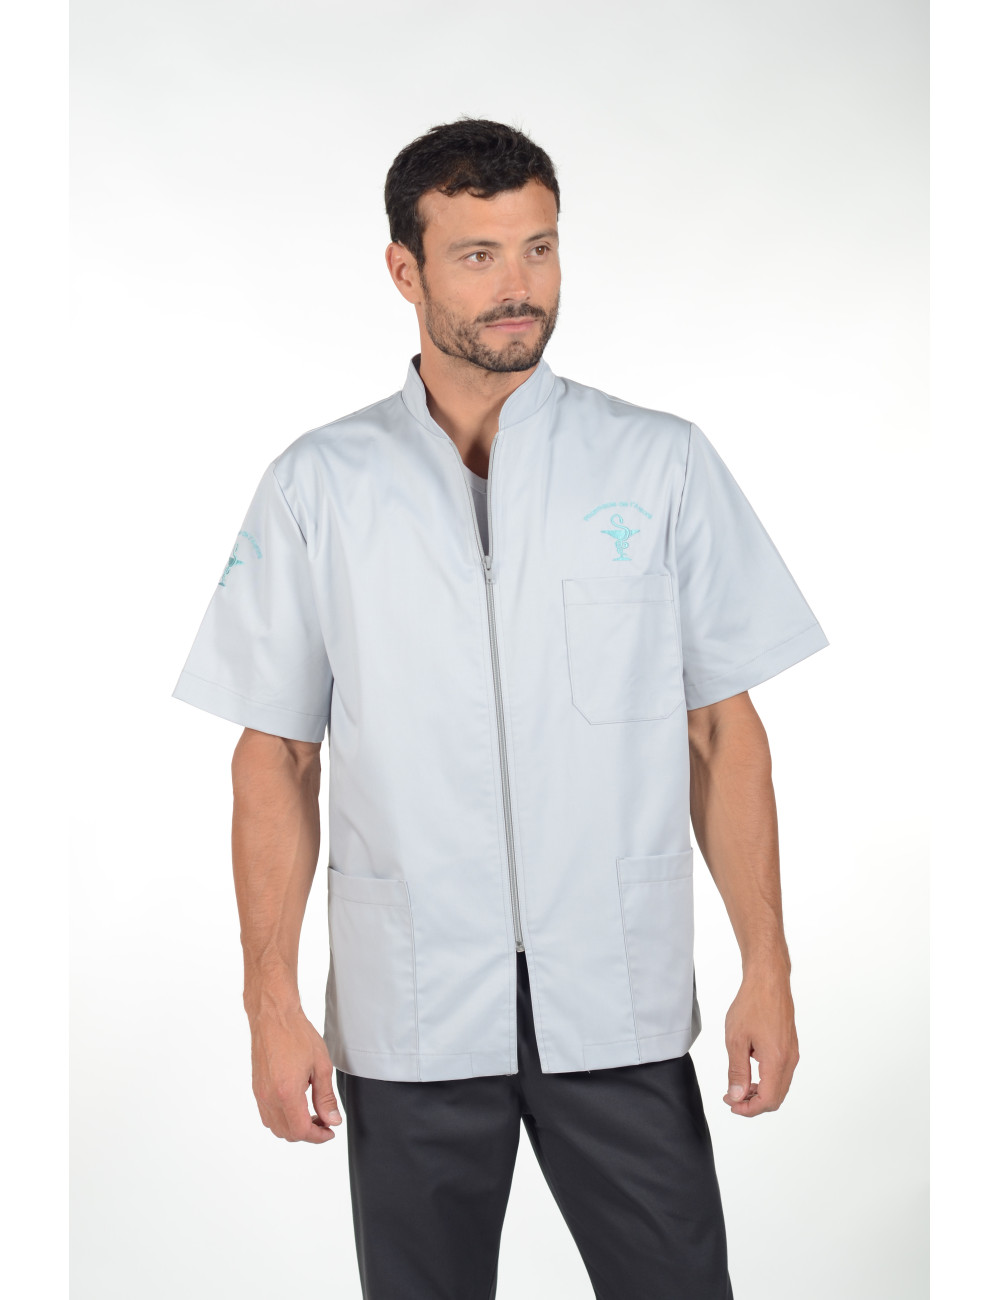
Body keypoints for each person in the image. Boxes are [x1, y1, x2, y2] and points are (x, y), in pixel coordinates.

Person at [172, 117, 830, 1299]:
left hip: (617, 996)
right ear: (405, 270)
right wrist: (271, 1002)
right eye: (477, 255)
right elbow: (276, 755)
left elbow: (720, 729)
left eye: (538, 247)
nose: (517, 285)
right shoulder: (320, 485)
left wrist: (766, 965)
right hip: (411, 1002)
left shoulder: (658, 462)